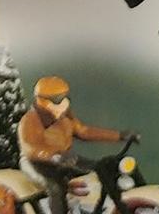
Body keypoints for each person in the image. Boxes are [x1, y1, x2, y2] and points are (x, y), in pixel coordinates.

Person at [18, 76, 130, 214]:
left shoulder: (64, 115)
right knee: (56, 188)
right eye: (57, 99)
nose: (63, 102)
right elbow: (31, 148)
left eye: (64, 96)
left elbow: (83, 131)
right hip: (36, 163)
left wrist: (119, 136)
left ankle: (108, 206)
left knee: (101, 168)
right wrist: (54, 156)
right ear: (41, 100)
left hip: (65, 157)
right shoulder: (29, 120)